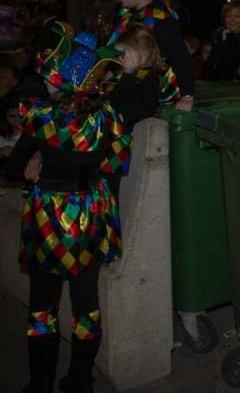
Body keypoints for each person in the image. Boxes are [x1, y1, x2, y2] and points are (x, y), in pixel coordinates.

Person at [11, 28, 124, 393]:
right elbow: (119, 160)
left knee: (43, 305)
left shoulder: (41, 118)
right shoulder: (108, 117)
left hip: (48, 219)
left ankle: (40, 383)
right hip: (89, 215)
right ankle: (79, 382)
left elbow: (13, 165)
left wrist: (39, 154)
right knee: (85, 305)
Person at [83, 0, 194, 111]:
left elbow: (180, 57)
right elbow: (116, 49)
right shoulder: (128, 15)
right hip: (133, 85)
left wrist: (188, 95)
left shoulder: (162, 19)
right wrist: (104, 71)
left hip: (153, 90)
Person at [103, 24, 180, 198]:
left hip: (123, 141)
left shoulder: (146, 78)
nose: (119, 59)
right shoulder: (131, 76)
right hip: (114, 137)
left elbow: (146, 108)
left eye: (123, 54)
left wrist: (122, 116)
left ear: (143, 52)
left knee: (111, 186)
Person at [202, 1, 240, 81]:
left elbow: (231, 65)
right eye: (228, 16)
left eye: (237, 16)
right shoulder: (219, 36)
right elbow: (210, 65)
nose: (232, 20)